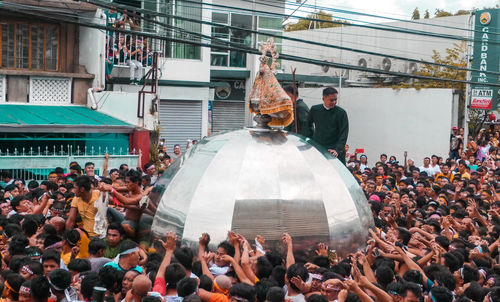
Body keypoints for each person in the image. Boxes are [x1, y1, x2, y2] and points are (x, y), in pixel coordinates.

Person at [308, 87, 349, 164]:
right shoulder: (315, 110)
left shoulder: (341, 113)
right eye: (331, 100)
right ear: (323, 99)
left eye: (335, 100)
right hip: (319, 148)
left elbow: (344, 133)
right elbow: (307, 125)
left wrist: (337, 149)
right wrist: (311, 141)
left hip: (335, 150)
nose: (334, 102)